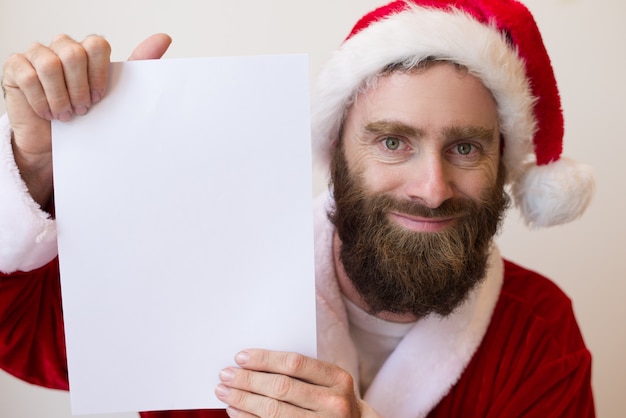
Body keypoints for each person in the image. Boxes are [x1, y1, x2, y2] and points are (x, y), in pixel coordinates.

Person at [0, 0, 596, 416]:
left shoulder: (540, 334)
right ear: (336, 150)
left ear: (502, 165)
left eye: (465, 147)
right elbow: (17, 330)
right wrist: (34, 167)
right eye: (393, 142)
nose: (432, 187)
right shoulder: (198, 275)